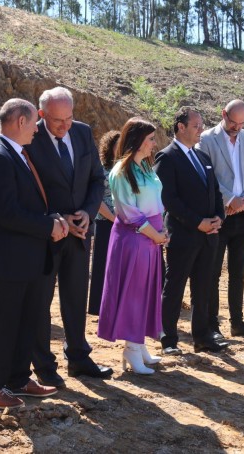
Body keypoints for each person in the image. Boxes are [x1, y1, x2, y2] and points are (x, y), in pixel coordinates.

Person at [0, 98, 66, 409]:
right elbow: (8, 214)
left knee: (26, 320)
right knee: (5, 322)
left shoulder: (15, 153)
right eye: (34, 123)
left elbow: (28, 204)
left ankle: (17, 379)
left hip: (26, 255)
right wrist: (47, 227)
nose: (37, 129)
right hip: (8, 257)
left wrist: (53, 219)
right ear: (19, 122)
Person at [25, 87, 111, 387]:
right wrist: (58, 219)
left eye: (69, 118)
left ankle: (78, 357)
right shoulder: (28, 137)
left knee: (76, 297)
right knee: (40, 301)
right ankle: (44, 366)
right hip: (46, 236)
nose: (64, 126)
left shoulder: (83, 133)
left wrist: (88, 212)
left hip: (81, 231)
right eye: (56, 120)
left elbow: (96, 179)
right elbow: (27, 190)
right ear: (41, 114)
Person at [97, 118, 168, 374]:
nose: (154, 144)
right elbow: (129, 213)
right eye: (150, 139)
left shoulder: (145, 167)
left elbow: (156, 201)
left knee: (147, 292)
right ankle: (131, 348)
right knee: (134, 295)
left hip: (150, 238)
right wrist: (156, 234)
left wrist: (162, 231)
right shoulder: (121, 171)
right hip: (135, 240)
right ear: (137, 140)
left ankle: (139, 344)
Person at [154, 107, 227, 355]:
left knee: (203, 288)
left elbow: (215, 192)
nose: (201, 130)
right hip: (184, 236)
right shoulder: (167, 157)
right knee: (174, 287)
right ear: (180, 127)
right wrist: (198, 222)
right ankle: (169, 339)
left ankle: (202, 336)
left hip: (209, 236)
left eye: (201, 125)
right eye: (196, 125)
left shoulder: (203, 158)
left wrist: (219, 217)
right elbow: (169, 200)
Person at [197, 100, 244, 339]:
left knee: (238, 272)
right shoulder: (206, 139)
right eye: (232, 122)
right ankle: (212, 325)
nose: (236, 128)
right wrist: (229, 199)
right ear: (223, 114)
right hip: (219, 215)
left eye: (241, 123)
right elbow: (207, 176)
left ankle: (237, 322)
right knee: (212, 272)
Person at [87, 130, 120, 316]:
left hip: (124, 223)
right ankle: (98, 307)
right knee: (102, 265)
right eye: (118, 145)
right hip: (105, 223)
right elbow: (96, 200)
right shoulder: (100, 169)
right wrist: (114, 218)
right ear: (110, 147)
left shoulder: (127, 168)